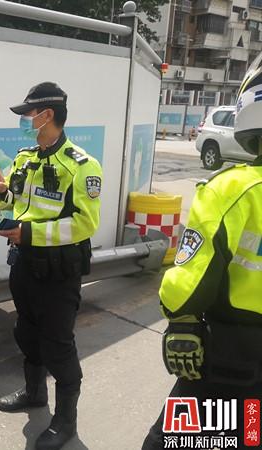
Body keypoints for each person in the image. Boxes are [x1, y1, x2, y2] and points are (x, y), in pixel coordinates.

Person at [142, 53, 262, 449]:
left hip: (232, 362)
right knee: (251, 434)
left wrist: (182, 321)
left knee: (170, 443)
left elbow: (186, 288)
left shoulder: (232, 190)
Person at [0, 82, 102, 450]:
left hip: (59, 272)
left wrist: (29, 233)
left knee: (58, 345)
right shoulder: (25, 158)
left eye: (27, 114)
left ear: (47, 115)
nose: (24, 120)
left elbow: (85, 224)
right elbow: (13, 202)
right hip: (24, 265)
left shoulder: (81, 165)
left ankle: (65, 421)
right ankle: (34, 393)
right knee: (27, 334)